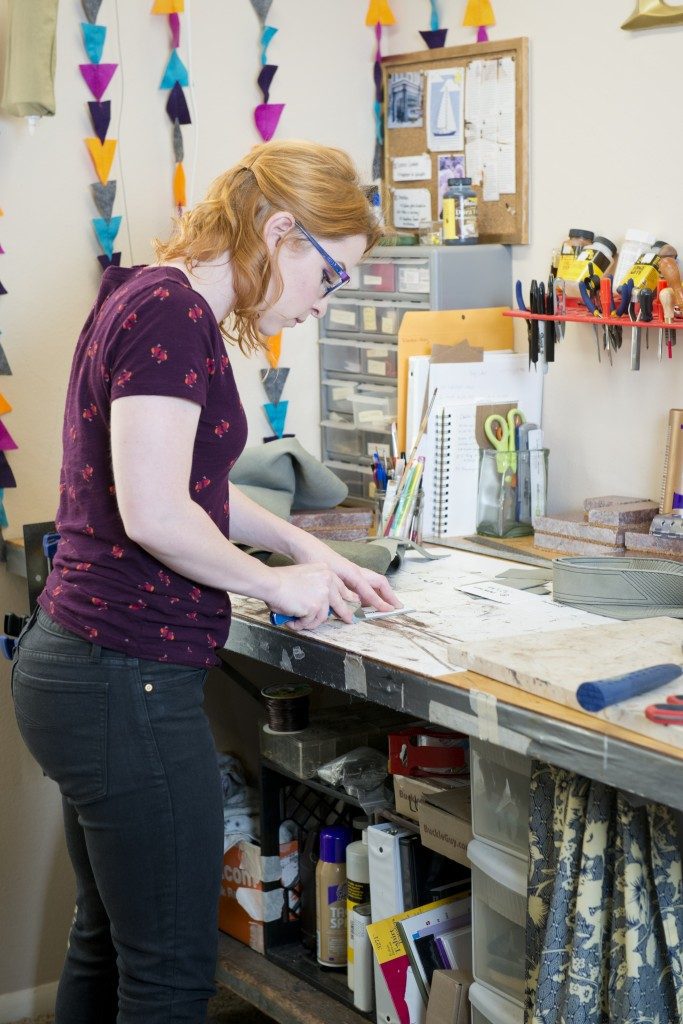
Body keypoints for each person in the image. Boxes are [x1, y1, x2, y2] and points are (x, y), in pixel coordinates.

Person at [11, 139, 401, 1024]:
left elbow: (196, 488)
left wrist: (313, 552)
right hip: (121, 677)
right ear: (282, 232)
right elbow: (154, 513)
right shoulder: (171, 315)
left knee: (108, 946)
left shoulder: (144, 292)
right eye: (330, 278)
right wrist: (273, 589)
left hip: (84, 664)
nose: (321, 303)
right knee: (170, 977)